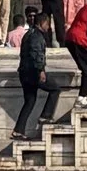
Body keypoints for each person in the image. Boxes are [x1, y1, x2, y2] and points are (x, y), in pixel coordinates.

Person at [15, 8, 56, 139]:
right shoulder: (37, 36)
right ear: (42, 23)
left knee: (30, 101)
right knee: (55, 89)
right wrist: (41, 70)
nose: (48, 27)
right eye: (47, 24)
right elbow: (37, 54)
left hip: (24, 73)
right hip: (33, 73)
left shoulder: (28, 34)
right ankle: (46, 116)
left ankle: (18, 130)